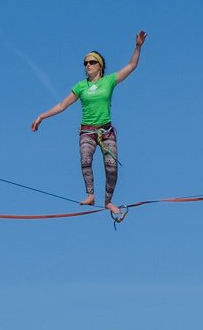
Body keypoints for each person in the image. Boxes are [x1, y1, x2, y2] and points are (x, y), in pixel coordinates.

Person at [31, 30, 146, 218]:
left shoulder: (109, 81)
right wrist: (41, 116)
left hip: (106, 130)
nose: (87, 65)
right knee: (85, 159)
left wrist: (138, 46)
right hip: (87, 131)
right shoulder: (80, 86)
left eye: (91, 62)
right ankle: (90, 195)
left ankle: (108, 201)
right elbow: (62, 105)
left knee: (111, 168)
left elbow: (131, 66)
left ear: (99, 65)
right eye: (85, 63)